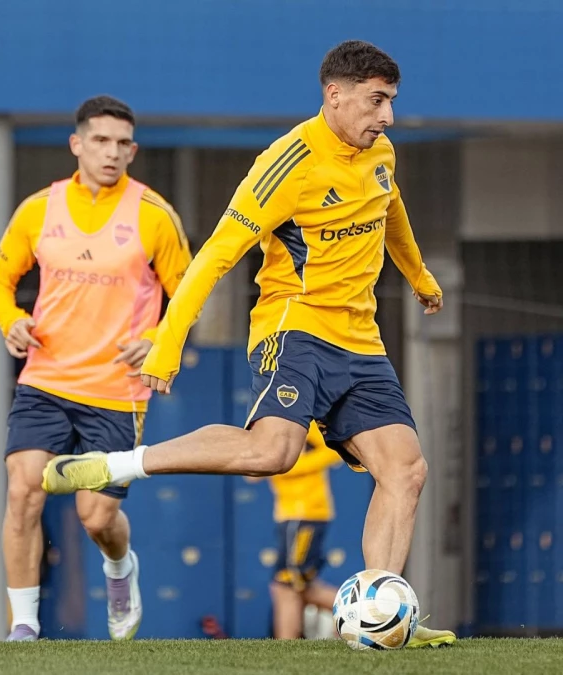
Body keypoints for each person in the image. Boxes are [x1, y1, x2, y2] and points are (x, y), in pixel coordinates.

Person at [41, 41, 456, 648]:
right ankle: (117, 464)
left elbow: (392, 213)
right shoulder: (284, 165)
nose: (387, 116)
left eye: (390, 102)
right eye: (376, 101)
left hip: (361, 338)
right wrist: (167, 341)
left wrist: (419, 277)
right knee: (273, 452)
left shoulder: (380, 153)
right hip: (294, 327)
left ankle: (380, 615)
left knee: (406, 468)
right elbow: (213, 257)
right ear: (334, 96)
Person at [0, 94, 192, 642]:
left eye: (123, 143)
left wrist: (156, 339)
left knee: (94, 517)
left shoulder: (154, 215)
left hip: (115, 391)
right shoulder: (37, 210)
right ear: (77, 144)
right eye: (100, 140)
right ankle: (23, 626)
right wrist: (11, 320)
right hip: (45, 380)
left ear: (133, 150)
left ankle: (121, 569)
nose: (112, 152)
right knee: (23, 489)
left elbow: (190, 293)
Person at [247, 424, 343, 639]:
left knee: (287, 585)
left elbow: (335, 450)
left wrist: (288, 465)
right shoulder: (272, 419)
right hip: (290, 516)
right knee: (291, 585)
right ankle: (355, 613)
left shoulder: (306, 422)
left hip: (306, 514)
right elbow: (251, 472)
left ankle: (358, 614)